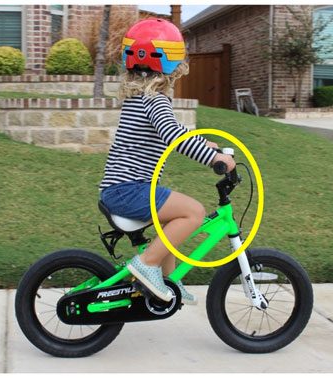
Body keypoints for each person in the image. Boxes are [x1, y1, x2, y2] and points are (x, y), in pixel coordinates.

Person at [99, 18, 235, 305]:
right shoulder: (156, 100)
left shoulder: (140, 98)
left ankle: (169, 282)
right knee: (194, 212)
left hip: (122, 189)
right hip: (129, 190)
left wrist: (201, 141)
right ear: (170, 62)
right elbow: (173, 136)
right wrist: (214, 158)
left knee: (173, 219)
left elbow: (170, 131)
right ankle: (147, 264)